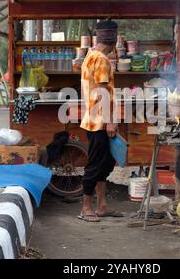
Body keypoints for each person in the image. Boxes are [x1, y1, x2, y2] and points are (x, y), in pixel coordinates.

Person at [78, 20, 123, 222]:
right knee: (95, 165)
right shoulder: (103, 60)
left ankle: (102, 205)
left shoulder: (90, 55)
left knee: (104, 164)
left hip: (93, 118)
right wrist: (110, 122)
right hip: (100, 122)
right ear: (113, 41)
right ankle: (86, 208)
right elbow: (103, 92)